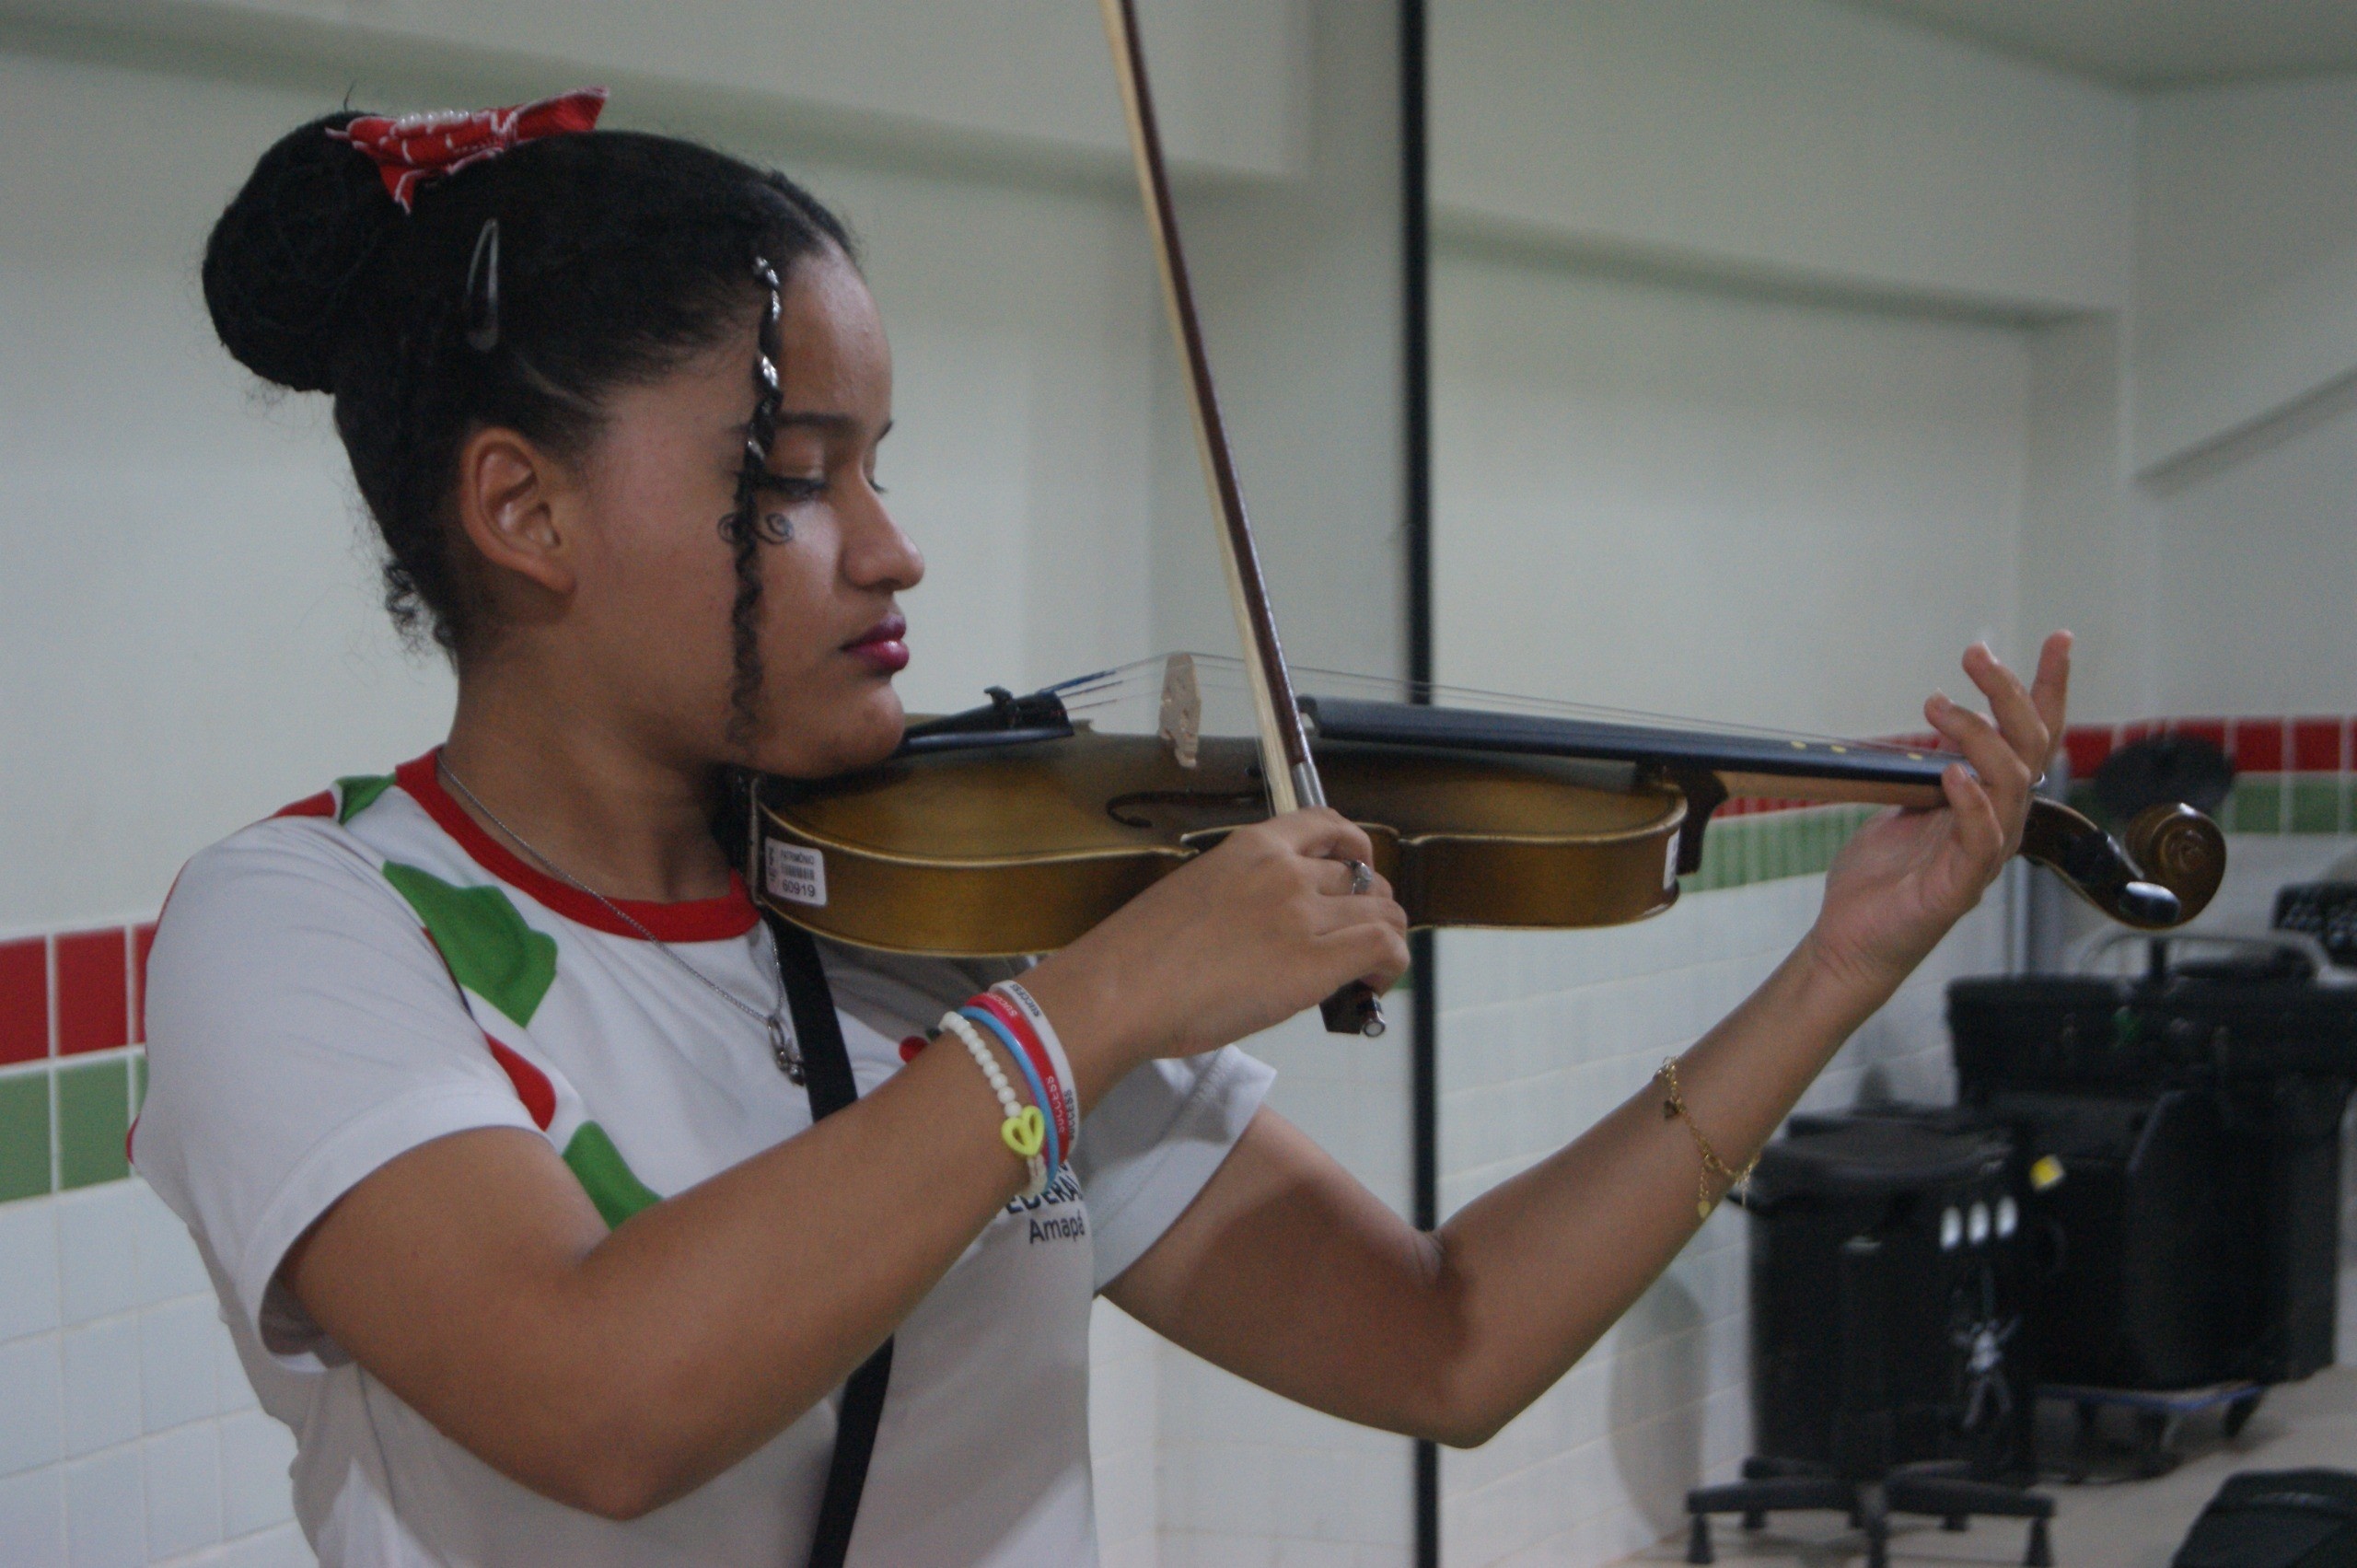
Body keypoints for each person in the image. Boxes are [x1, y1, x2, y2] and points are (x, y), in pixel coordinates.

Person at [133, 91, 2071, 1568]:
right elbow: (600, 1402)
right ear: (521, 513)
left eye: (880, 467)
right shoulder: (308, 930)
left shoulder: (933, 913)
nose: (892, 550)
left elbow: (1443, 1343)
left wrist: (1836, 968)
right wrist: (1095, 1007)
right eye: (789, 480)